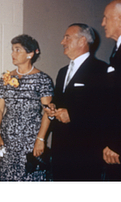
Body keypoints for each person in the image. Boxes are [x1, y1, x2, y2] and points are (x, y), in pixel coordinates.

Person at [45, 23, 108, 181]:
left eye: (67, 37)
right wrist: (52, 108)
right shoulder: (62, 72)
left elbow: (106, 110)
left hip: (85, 152)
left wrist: (73, 115)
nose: (62, 42)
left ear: (82, 41)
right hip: (60, 150)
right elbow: (59, 101)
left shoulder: (101, 70)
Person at [0, 34, 54, 181]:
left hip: (31, 138)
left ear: (30, 54)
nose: (13, 54)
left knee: (30, 177)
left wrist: (41, 139)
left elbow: (47, 112)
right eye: (12, 50)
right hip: (8, 138)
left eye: (17, 50)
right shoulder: (5, 78)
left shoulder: (42, 79)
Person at [101, 0, 121, 180]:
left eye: (106, 18)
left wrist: (116, 142)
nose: (103, 23)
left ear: (120, 20)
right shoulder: (120, 47)